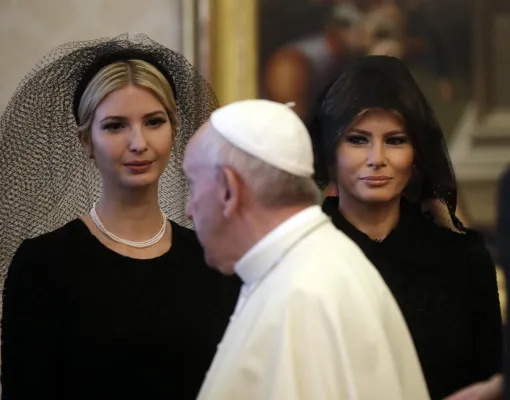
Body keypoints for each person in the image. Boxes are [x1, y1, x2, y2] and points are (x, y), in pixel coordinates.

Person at [0, 34, 240, 399]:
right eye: (115, 126)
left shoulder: (213, 260)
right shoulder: (43, 264)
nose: (138, 143)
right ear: (86, 141)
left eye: (154, 122)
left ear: (174, 131)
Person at [183, 99, 430, 399]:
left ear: (228, 190)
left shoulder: (301, 293)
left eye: (193, 185)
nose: (188, 210)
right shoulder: (314, 264)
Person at [308, 55, 502, 399]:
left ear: (416, 155)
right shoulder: (303, 256)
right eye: (357, 139)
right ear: (330, 152)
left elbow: (490, 379)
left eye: (395, 140)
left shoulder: (463, 260)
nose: (377, 158)